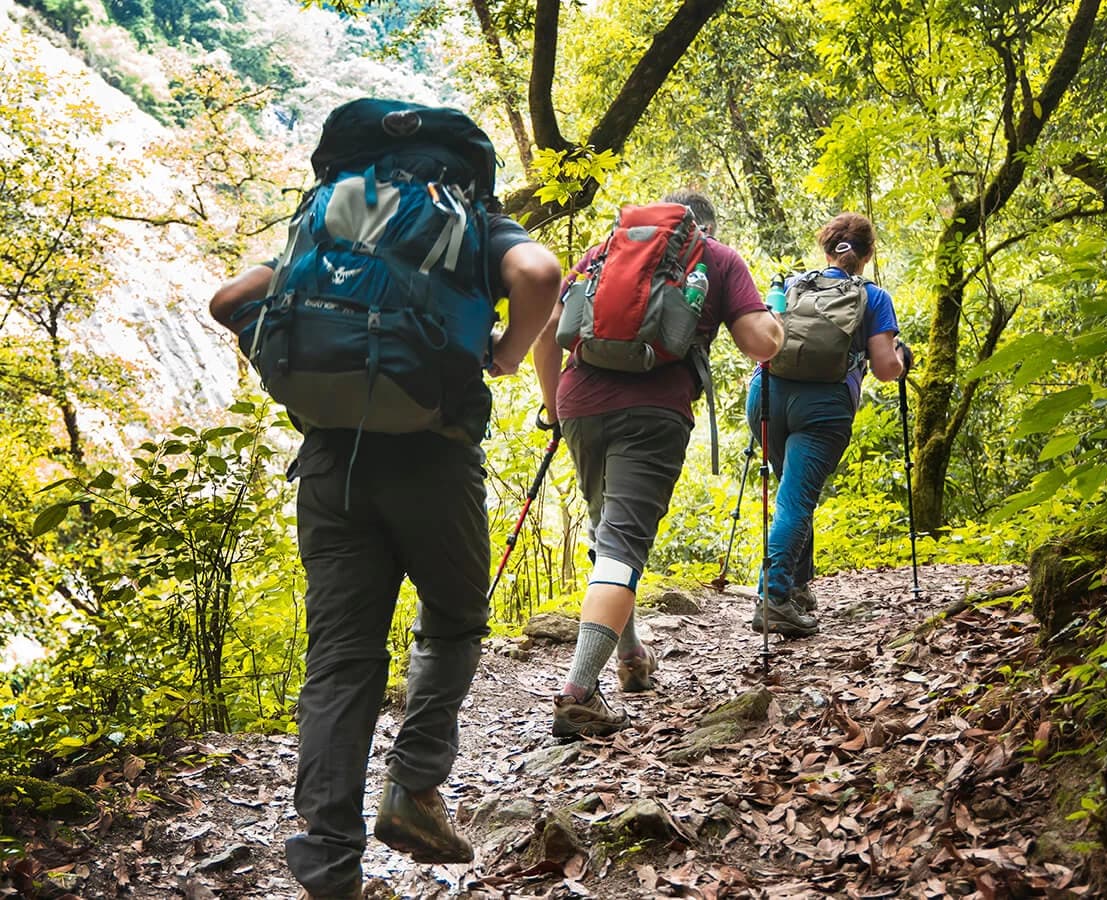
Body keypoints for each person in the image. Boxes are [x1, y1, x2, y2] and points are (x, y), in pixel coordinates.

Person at [210, 192, 561, 897]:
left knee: (339, 657)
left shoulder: (333, 226)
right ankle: (414, 787)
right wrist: (506, 355)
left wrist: (298, 371)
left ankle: (331, 865)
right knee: (456, 619)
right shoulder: (474, 224)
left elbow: (228, 300)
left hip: (331, 468)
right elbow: (542, 276)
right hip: (434, 460)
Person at [532, 190, 785, 739]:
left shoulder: (604, 252)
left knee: (606, 527)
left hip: (579, 402)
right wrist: (777, 322)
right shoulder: (717, 259)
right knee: (622, 543)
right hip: (653, 410)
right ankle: (578, 692)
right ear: (704, 227)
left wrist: (553, 408)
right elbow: (759, 342)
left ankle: (630, 657)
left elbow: (550, 331)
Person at [747, 211, 910, 638]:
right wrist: (903, 357)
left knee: (791, 492)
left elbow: (760, 343)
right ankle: (775, 597)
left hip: (765, 396)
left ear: (826, 247)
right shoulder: (873, 298)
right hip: (824, 406)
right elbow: (886, 368)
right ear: (867, 254)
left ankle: (797, 587)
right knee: (796, 499)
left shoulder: (789, 286)